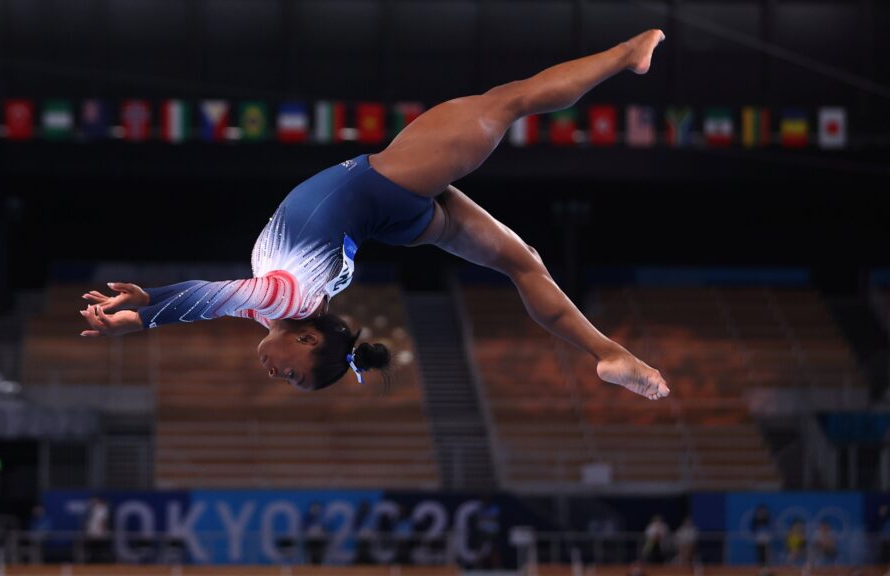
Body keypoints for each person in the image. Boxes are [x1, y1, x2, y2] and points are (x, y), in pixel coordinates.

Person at [78, 30, 671, 401]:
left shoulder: (279, 312)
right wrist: (144, 315)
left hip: (390, 219)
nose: (274, 375)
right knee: (507, 101)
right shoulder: (281, 302)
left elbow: (218, 299)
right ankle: (627, 51)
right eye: (293, 374)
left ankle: (610, 354)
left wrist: (148, 300)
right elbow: (211, 297)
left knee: (524, 263)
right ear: (308, 337)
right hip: (387, 182)